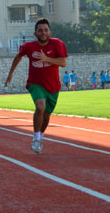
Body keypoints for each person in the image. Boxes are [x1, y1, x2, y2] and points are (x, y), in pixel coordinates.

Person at [5, 18, 67, 154]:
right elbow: (18, 57)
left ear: (50, 32)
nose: (43, 33)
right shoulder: (29, 47)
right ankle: (36, 137)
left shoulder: (57, 44)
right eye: (40, 31)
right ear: (35, 33)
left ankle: (41, 136)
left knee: (46, 115)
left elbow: (63, 63)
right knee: (40, 106)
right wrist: (10, 73)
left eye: (45, 30)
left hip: (53, 86)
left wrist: (46, 59)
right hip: (35, 83)